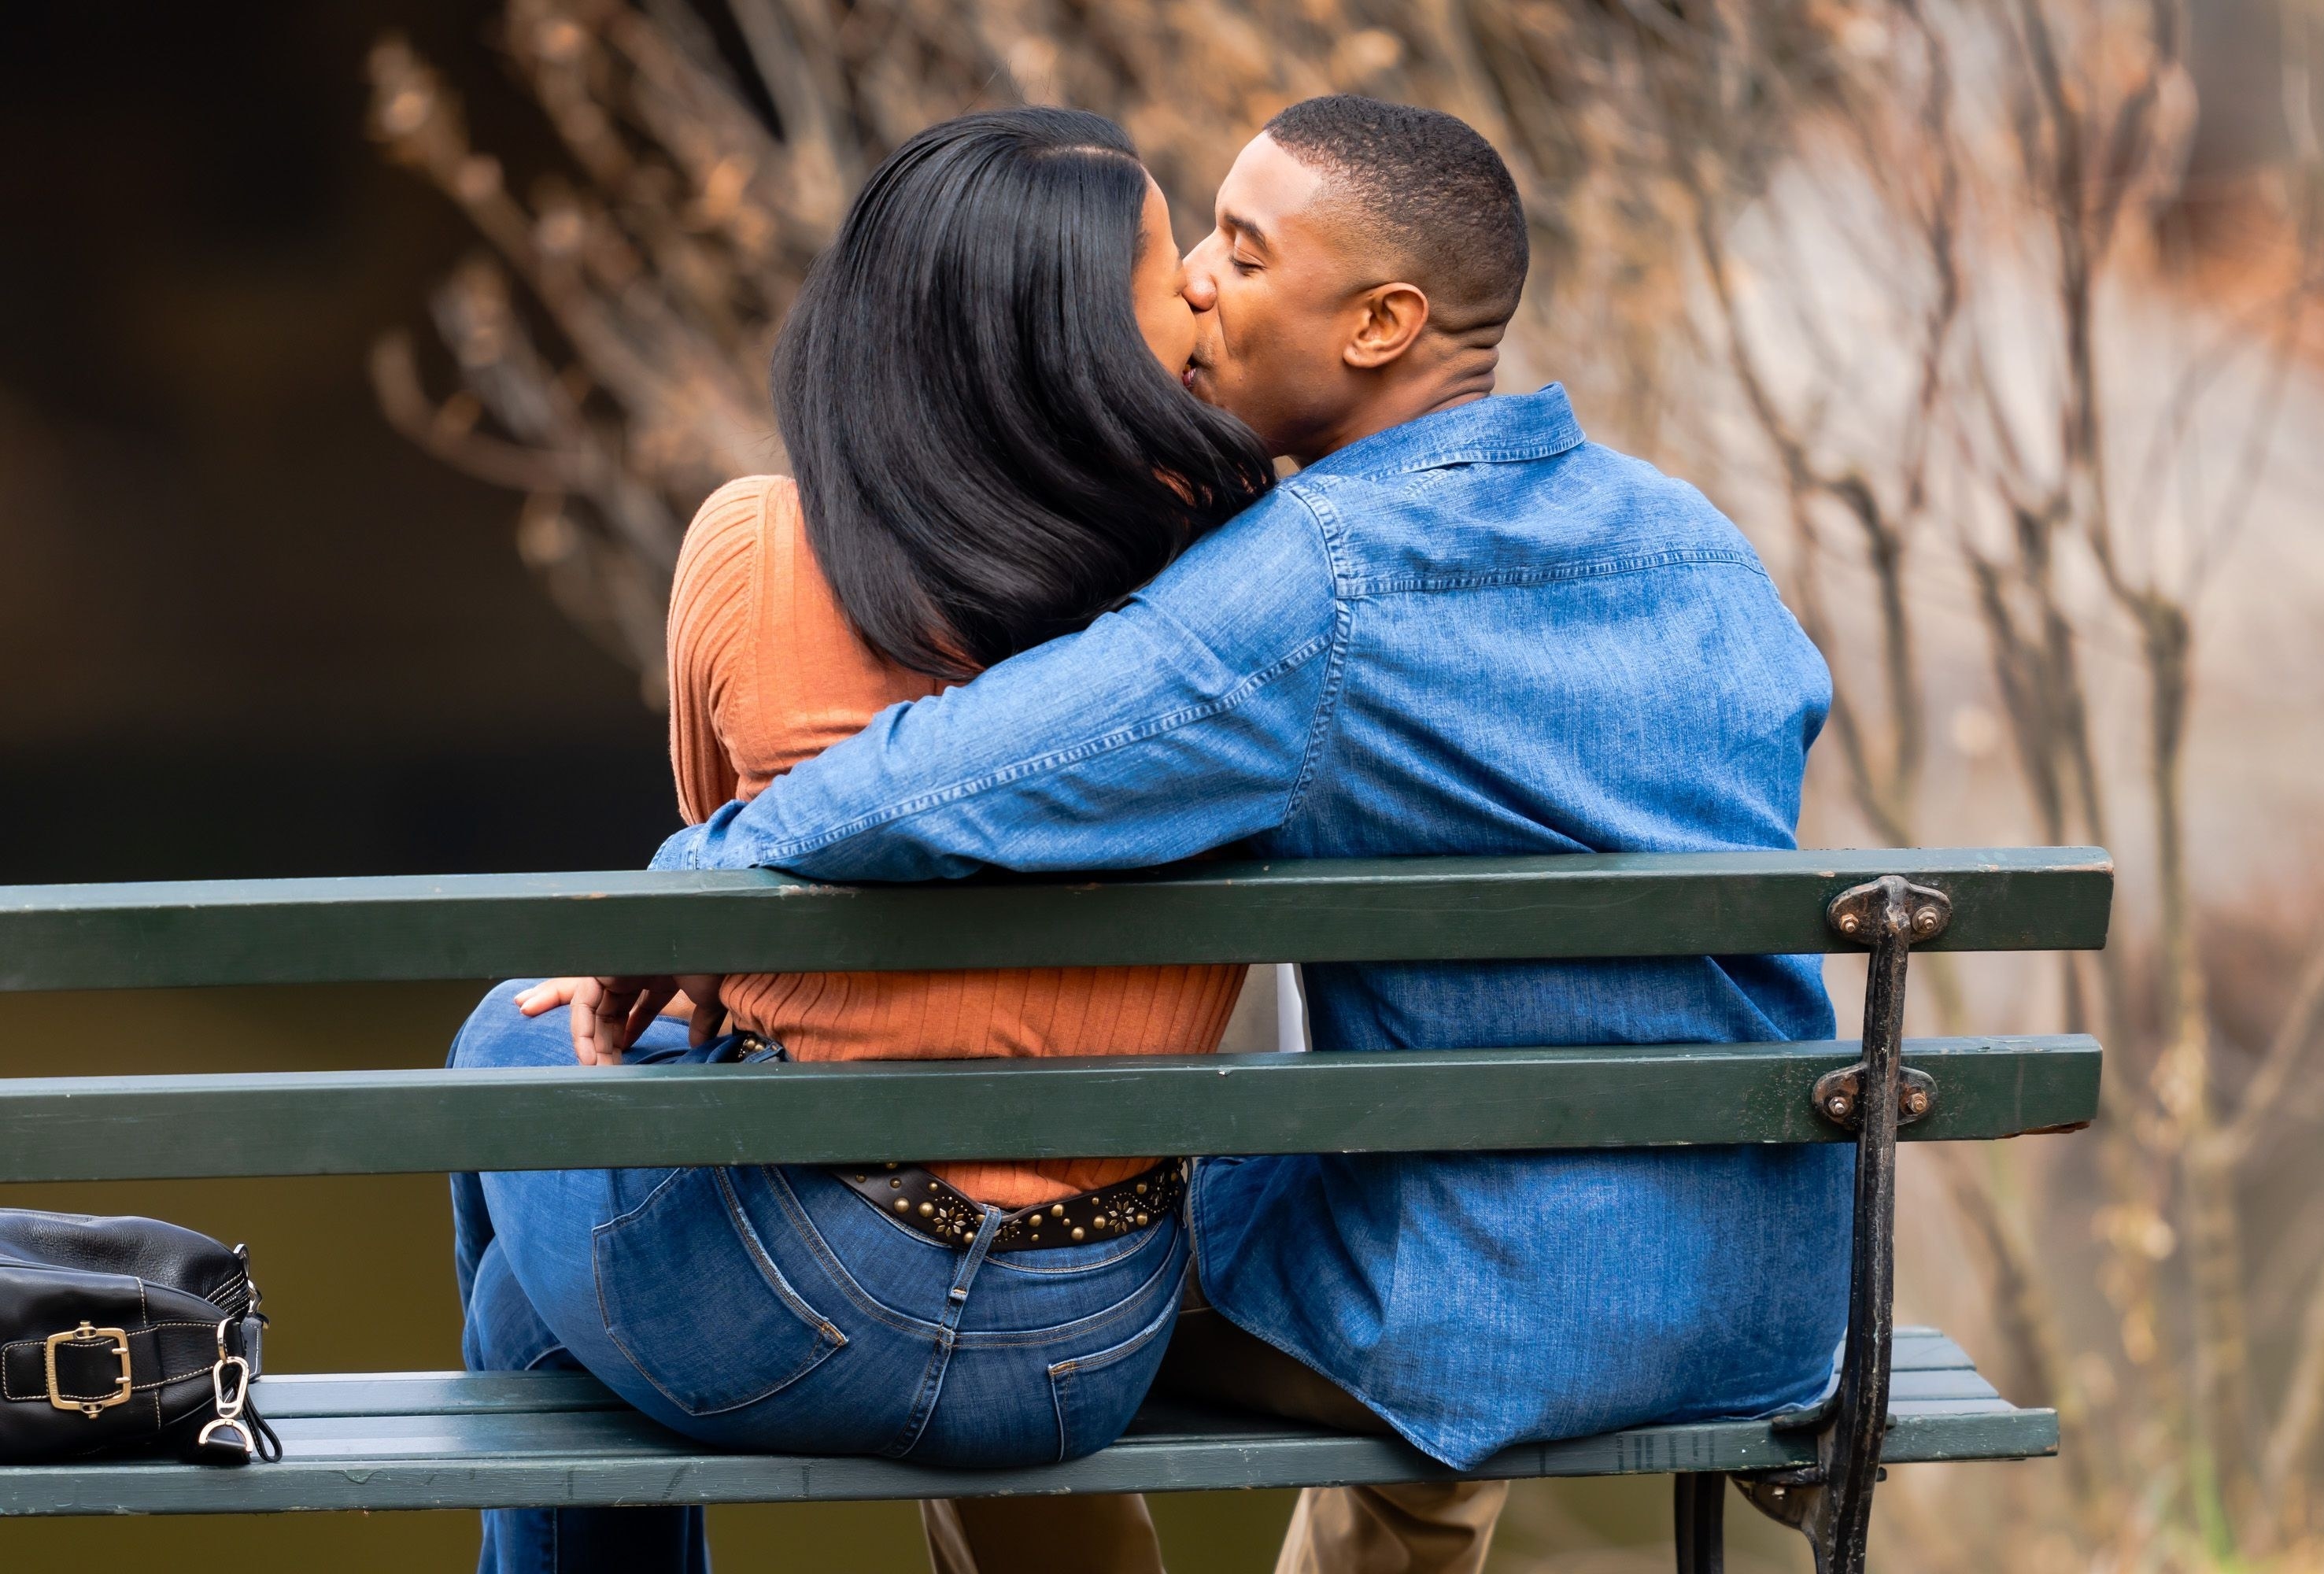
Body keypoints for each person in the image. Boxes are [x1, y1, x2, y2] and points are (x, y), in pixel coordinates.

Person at [648, 95, 1853, 1574]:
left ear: (1379, 323)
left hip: (1484, 1302)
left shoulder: (1317, 581)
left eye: (1242, 247)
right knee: (1400, 1183)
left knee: (1014, 1264)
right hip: (1768, 1292)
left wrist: (688, 884)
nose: (1197, 283)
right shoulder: (1693, 539)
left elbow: (937, 784)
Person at [445, 106, 1273, 1574]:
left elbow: (732, 886)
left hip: (805, 1308)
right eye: (1168, 260)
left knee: (507, 1050)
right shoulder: (1233, 590)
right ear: (1069, 327)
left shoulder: (763, 547)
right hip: (1092, 1341)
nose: (1206, 282)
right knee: (533, 1301)